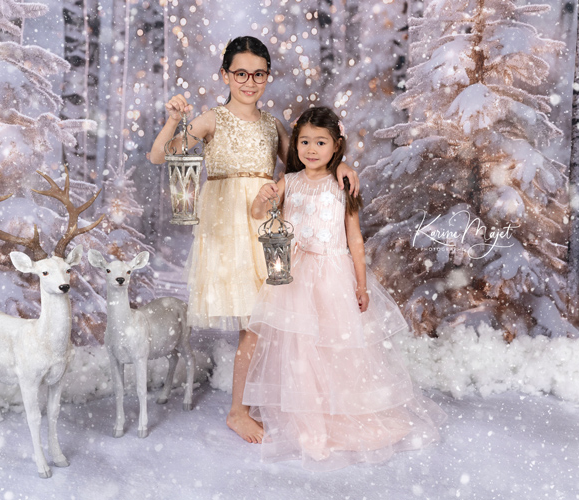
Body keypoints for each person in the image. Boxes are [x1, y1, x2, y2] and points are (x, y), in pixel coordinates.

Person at [149, 37, 360, 444]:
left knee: (267, 318)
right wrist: (174, 120)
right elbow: (162, 157)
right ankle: (238, 411)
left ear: (267, 77)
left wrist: (343, 161)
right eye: (240, 73)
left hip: (267, 227)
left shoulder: (273, 125)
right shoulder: (212, 119)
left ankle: (260, 400)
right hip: (227, 226)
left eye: (258, 73)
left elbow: (307, 164)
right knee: (255, 319)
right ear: (225, 75)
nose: (249, 81)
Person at [243, 107, 446, 470]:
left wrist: (361, 283)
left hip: (333, 274)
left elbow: (354, 237)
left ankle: (339, 413)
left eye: (320, 142)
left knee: (337, 346)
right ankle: (309, 419)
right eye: (304, 141)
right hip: (296, 274)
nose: (310, 149)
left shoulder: (342, 184)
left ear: (336, 146)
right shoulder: (288, 181)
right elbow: (261, 215)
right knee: (299, 348)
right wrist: (262, 197)